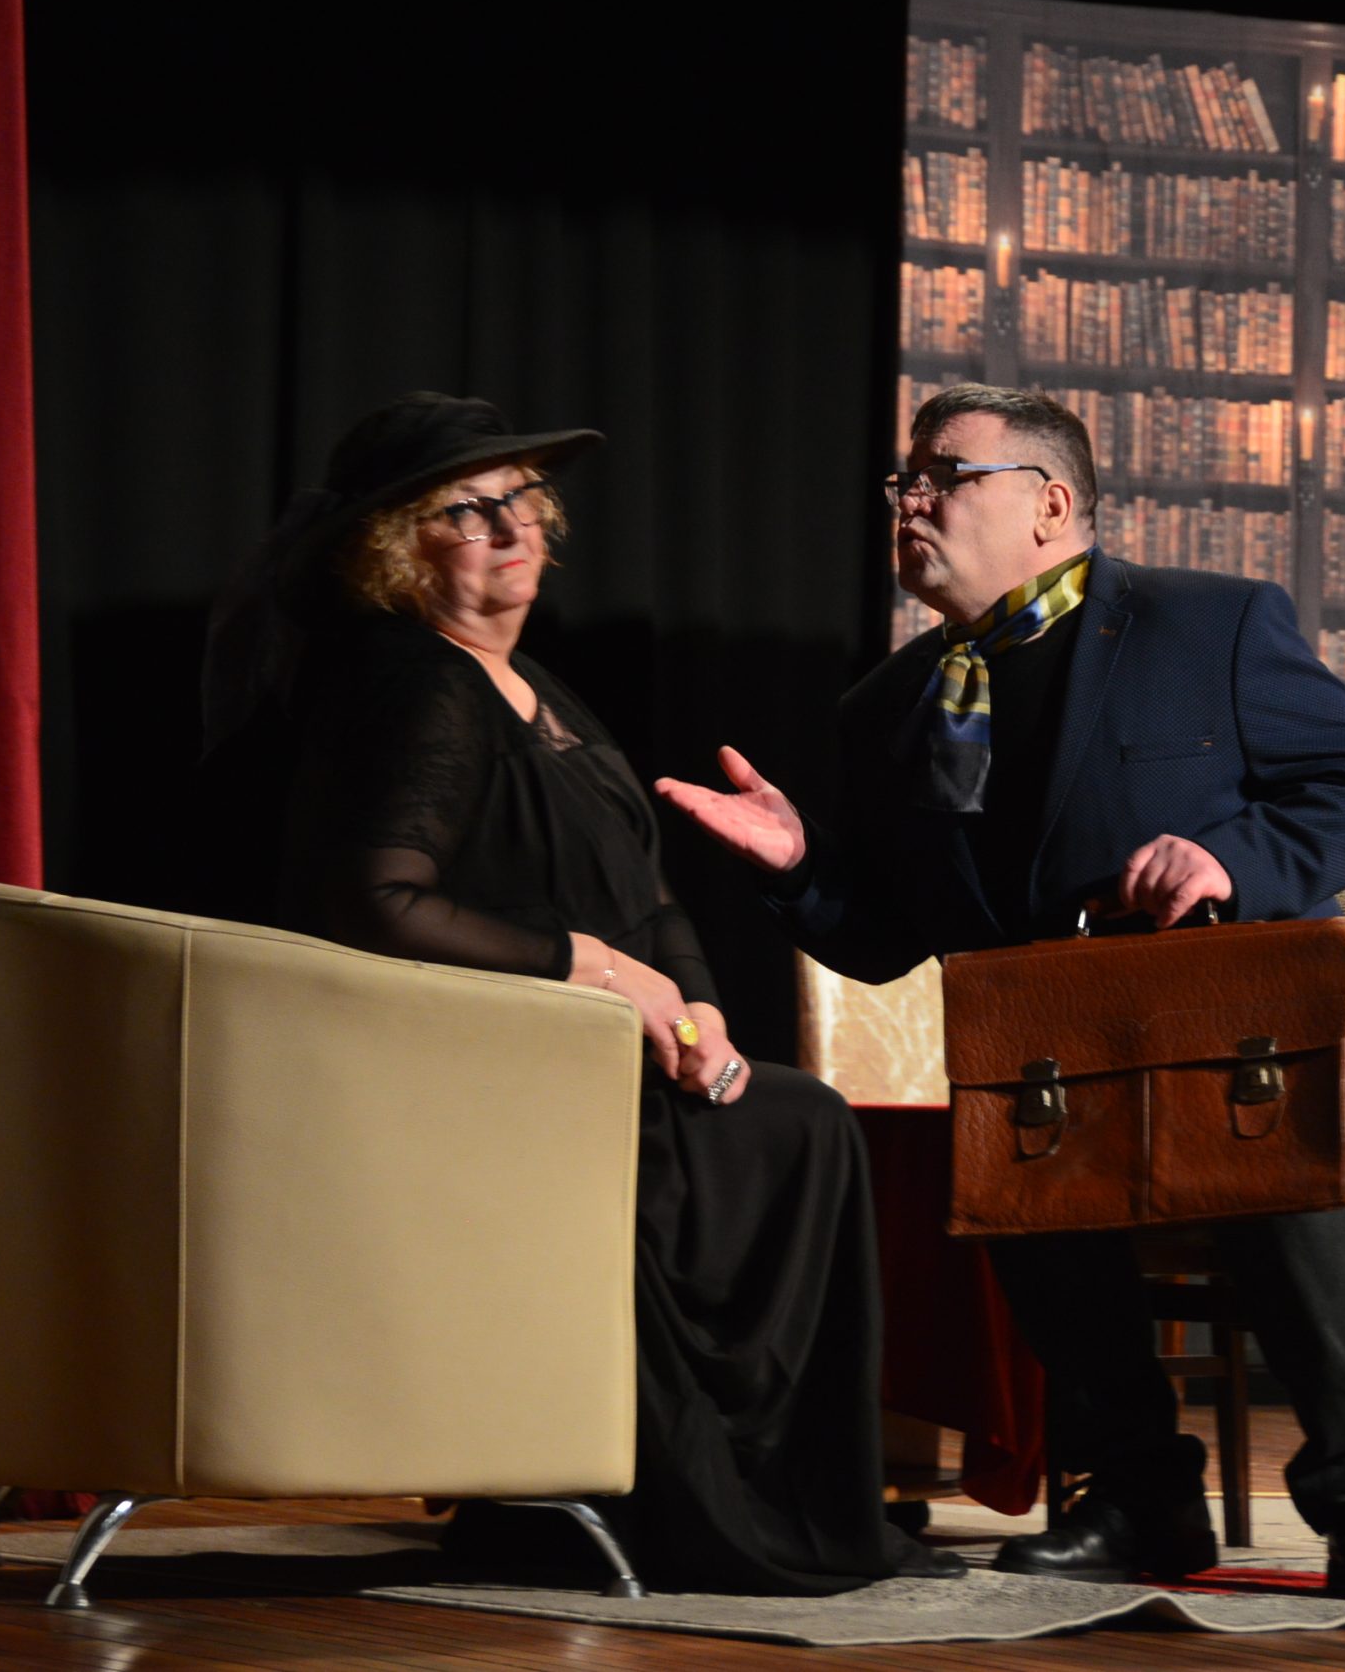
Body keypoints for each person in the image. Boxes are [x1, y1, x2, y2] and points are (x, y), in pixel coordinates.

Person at [657, 384, 1345, 1605]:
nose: (909, 501)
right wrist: (799, 865)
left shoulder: (1208, 623)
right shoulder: (889, 708)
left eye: (944, 476)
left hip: (1264, 1042)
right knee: (1024, 1170)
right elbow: (882, 943)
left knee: (1263, 1171)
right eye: (904, 481)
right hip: (1065, 1065)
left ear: (1050, 502)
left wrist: (1227, 861)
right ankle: (1136, 1494)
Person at [201, 392, 962, 1595]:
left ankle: (751, 1491)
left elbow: (650, 901)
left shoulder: (539, 689)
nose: (512, 530)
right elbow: (377, 904)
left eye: (523, 503)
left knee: (786, 1116)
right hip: (479, 1076)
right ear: (396, 549)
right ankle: (683, 1499)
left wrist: (700, 1014)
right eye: (468, 511)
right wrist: (595, 969)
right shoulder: (416, 684)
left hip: (579, 1060)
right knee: (797, 1127)